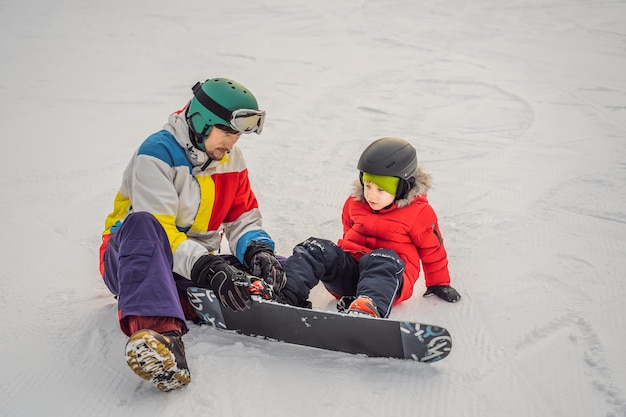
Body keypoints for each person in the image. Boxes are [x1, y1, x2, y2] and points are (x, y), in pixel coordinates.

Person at [99, 77, 285, 392]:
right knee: (143, 224)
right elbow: (162, 230)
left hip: (189, 264)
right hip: (131, 260)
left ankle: (252, 300)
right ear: (200, 122)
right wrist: (205, 266)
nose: (231, 144)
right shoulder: (156, 154)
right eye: (226, 132)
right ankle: (162, 340)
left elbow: (242, 218)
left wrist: (257, 251)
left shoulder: (230, 161)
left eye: (237, 135)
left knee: (273, 264)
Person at [279, 137, 460, 319]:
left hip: (388, 282)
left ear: (402, 188)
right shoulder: (354, 203)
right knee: (316, 247)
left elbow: (433, 250)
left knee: (382, 258)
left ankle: (368, 308)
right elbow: (348, 233)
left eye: (381, 190)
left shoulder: (419, 213)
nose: (371, 194)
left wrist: (439, 283)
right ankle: (285, 294)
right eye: (367, 185)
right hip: (351, 276)